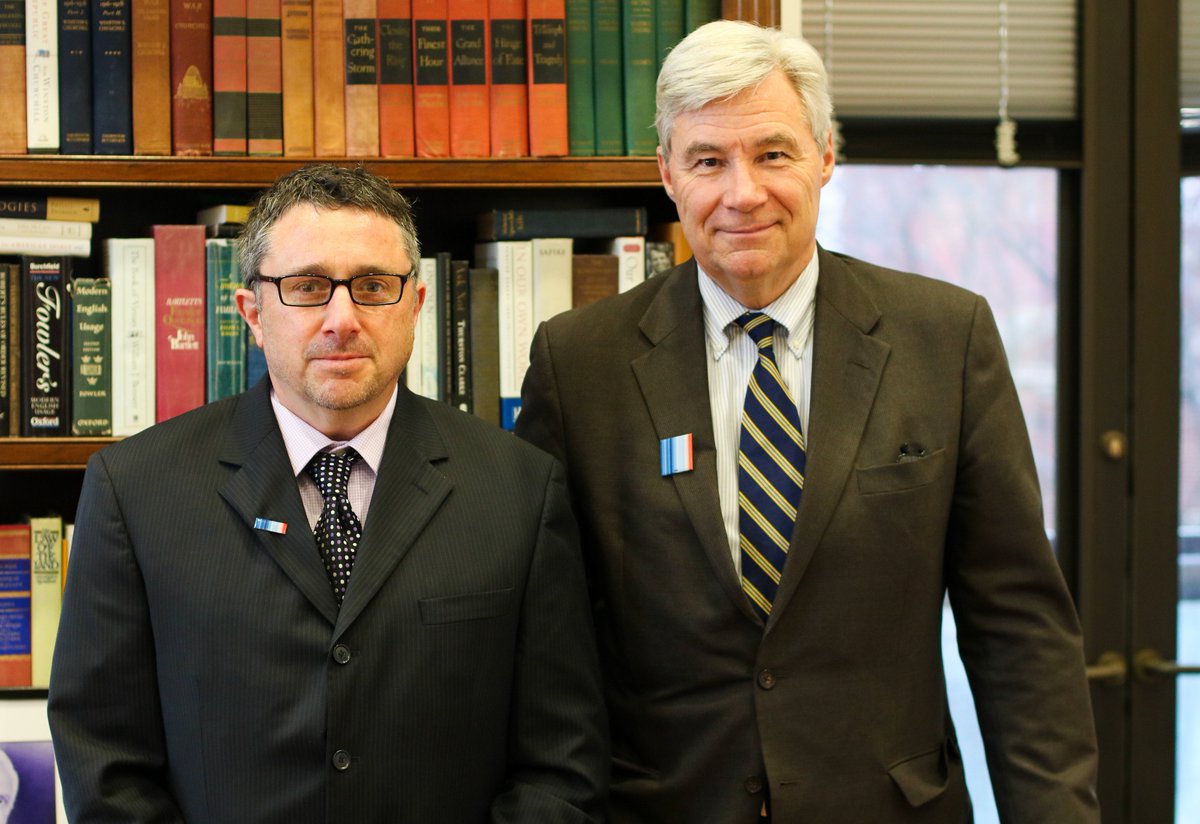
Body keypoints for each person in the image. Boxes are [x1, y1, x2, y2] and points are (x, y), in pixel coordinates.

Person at [516, 19, 1100, 824]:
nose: (742, 192)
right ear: (667, 175)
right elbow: (546, 647)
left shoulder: (943, 337)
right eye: (708, 161)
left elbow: (1019, 629)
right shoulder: (579, 364)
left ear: (827, 155)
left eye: (773, 153)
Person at [49, 163, 608, 823]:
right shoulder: (136, 491)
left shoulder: (519, 489)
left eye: (373, 287)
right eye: (308, 287)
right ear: (252, 313)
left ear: (416, 306)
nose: (342, 319)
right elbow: (105, 765)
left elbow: (561, 763)